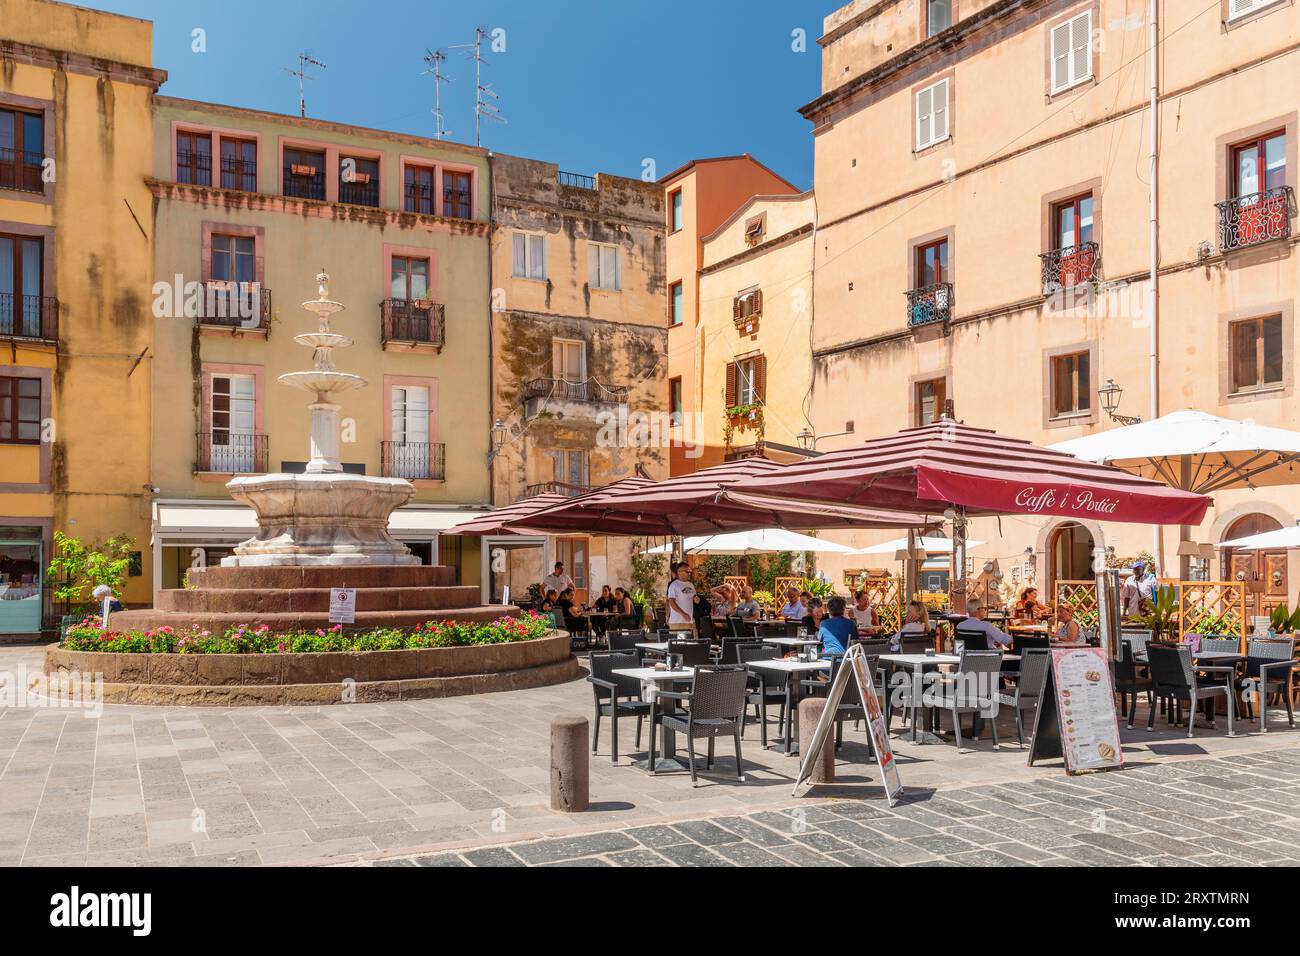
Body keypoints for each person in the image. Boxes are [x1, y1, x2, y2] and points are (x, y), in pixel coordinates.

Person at [665, 562, 697, 635]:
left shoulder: (691, 585)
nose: (689, 573)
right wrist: (683, 614)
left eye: (690, 571)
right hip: (678, 622)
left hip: (690, 621)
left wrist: (696, 600)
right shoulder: (674, 585)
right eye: (687, 571)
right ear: (679, 572)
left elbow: (693, 598)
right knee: (679, 645)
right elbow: (671, 601)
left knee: (693, 644)